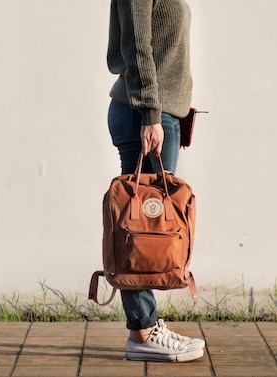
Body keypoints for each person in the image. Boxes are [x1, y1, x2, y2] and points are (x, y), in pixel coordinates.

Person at [106, 0, 206, 362]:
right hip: (145, 114)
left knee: (147, 228)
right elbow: (137, 43)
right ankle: (144, 330)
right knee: (139, 229)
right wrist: (151, 111)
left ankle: (145, 327)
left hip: (160, 114)